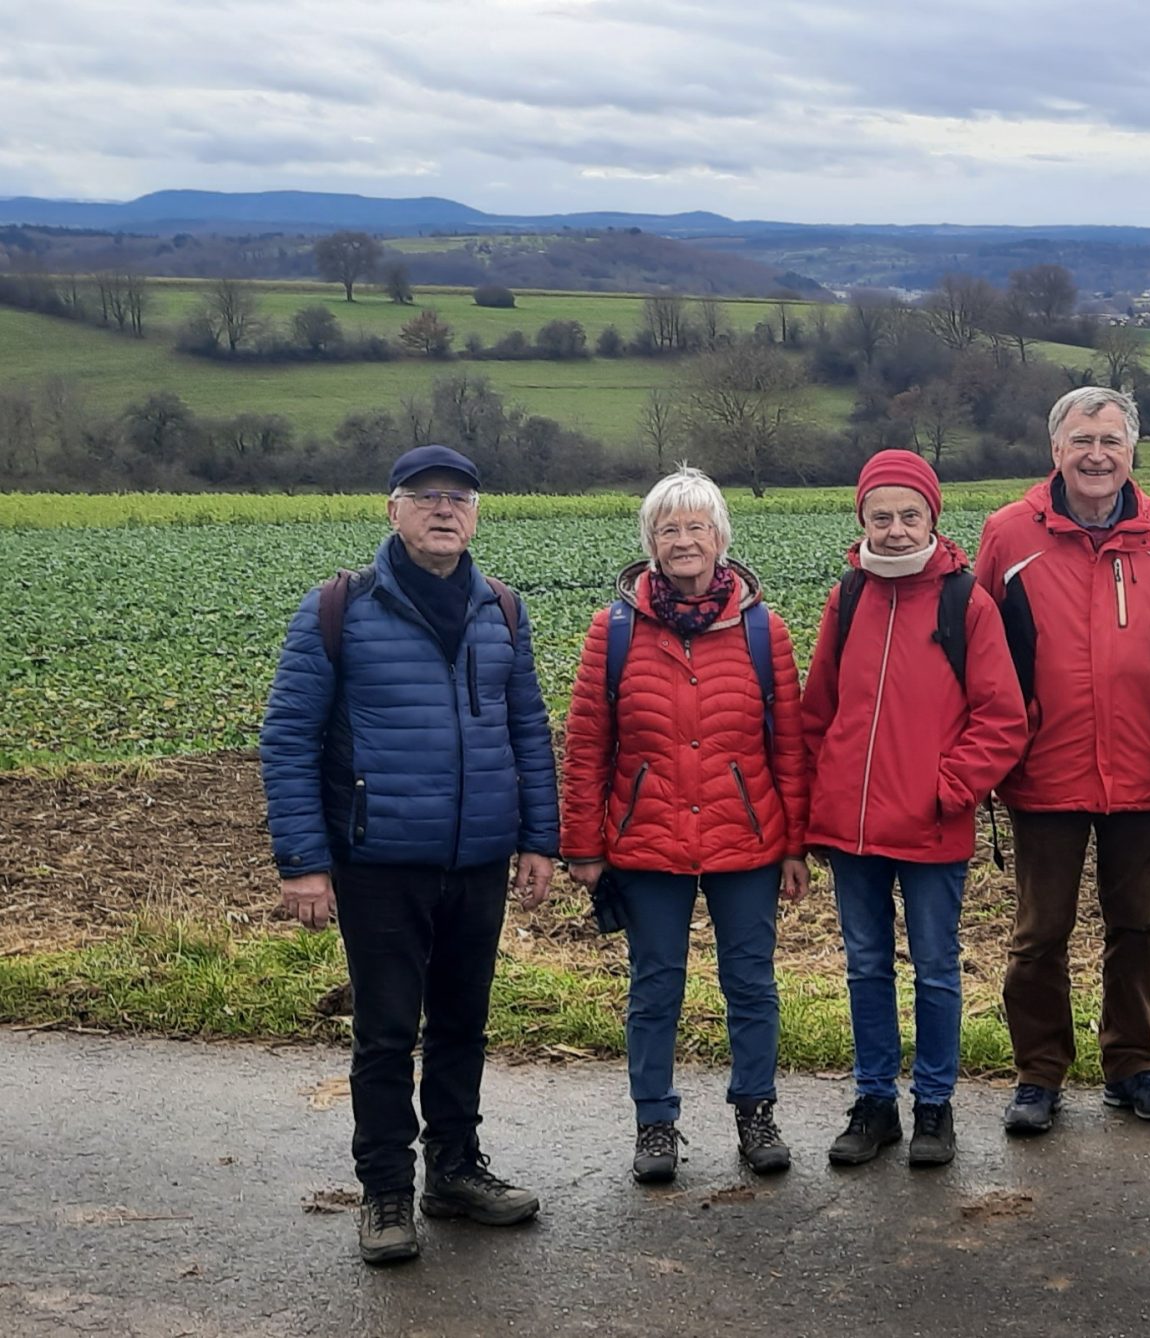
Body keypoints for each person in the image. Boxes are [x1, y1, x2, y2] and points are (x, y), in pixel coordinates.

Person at [259, 444, 559, 1266]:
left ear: (475, 514)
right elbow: (288, 739)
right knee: (388, 1032)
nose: (443, 510)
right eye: (424, 495)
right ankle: (386, 1189)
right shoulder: (337, 609)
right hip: (378, 860)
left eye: (458, 498)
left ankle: (454, 1171)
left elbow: (528, 730)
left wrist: (539, 838)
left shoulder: (503, 608)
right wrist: (302, 861)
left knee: (463, 1023)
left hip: (477, 860)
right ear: (391, 510)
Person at [560, 467, 810, 1186]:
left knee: (752, 984)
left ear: (721, 538)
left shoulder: (765, 631)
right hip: (647, 842)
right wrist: (582, 844)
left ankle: (756, 1113)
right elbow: (586, 747)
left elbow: (788, 748)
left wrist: (794, 845)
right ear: (650, 544)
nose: (683, 541)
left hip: (748, 841)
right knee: (655, 987)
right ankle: (656, 1124)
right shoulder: (612, 632)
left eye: (697, 527)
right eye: (668, 529)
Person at [977, 386, 1150, 1135]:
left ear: (1132, 450)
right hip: (1042, 769)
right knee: (1039, 932)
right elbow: (981, 657)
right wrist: (992, 756)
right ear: (1055, 451)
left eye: (1111, 440)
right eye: (1082, 440)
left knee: (1137, 926)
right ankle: (1038, 1074)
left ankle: (1131, 1066)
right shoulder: (1009, 536)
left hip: (1143, 766)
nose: (1096, 455)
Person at [801, 450, 1027, 1171]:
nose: (895, 530)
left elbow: (1003, 720)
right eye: (881, 516)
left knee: (934, 968)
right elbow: (818, 712)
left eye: (909, 516)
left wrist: (946, 789)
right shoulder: (848, 597)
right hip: (853, 830)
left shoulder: (967, 603)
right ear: (861, 520)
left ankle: (934, 1105)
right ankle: (874, 1104)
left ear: (933, 518)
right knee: (866, 968)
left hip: (933, 827)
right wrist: (819, 801)